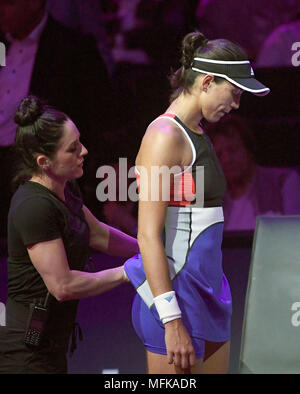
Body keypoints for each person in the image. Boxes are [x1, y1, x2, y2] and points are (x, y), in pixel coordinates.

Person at [124, 31, 270, 374]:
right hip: (176, 300)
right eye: (233, 94)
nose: (236, 105)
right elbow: (147, 235)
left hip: (209, 294)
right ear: (206, 82)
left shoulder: (197, 133)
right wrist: (171, 320)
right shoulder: (164, 136)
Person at [0, 96, 139, 374]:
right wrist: (128, 272)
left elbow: (98, 235)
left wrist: (148, 249)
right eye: (73, 149)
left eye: (80, 143)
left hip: (52, 345)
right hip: (26, 353)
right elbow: (62, 286)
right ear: (44, 162)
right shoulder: (34, 206)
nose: (84, 151)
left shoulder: (65, 187)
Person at [0, 0, 114, 236]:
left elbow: (100, 118)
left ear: (33, 4)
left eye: (8, 3)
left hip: (35, 166)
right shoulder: (1, 45)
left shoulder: (72, 48)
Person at [205, 114, 300, 230]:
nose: (227, 159)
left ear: (248, 149)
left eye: (232, 150)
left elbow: (294, 236)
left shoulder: (284, 182)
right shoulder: (213, 199)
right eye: (219, 154)